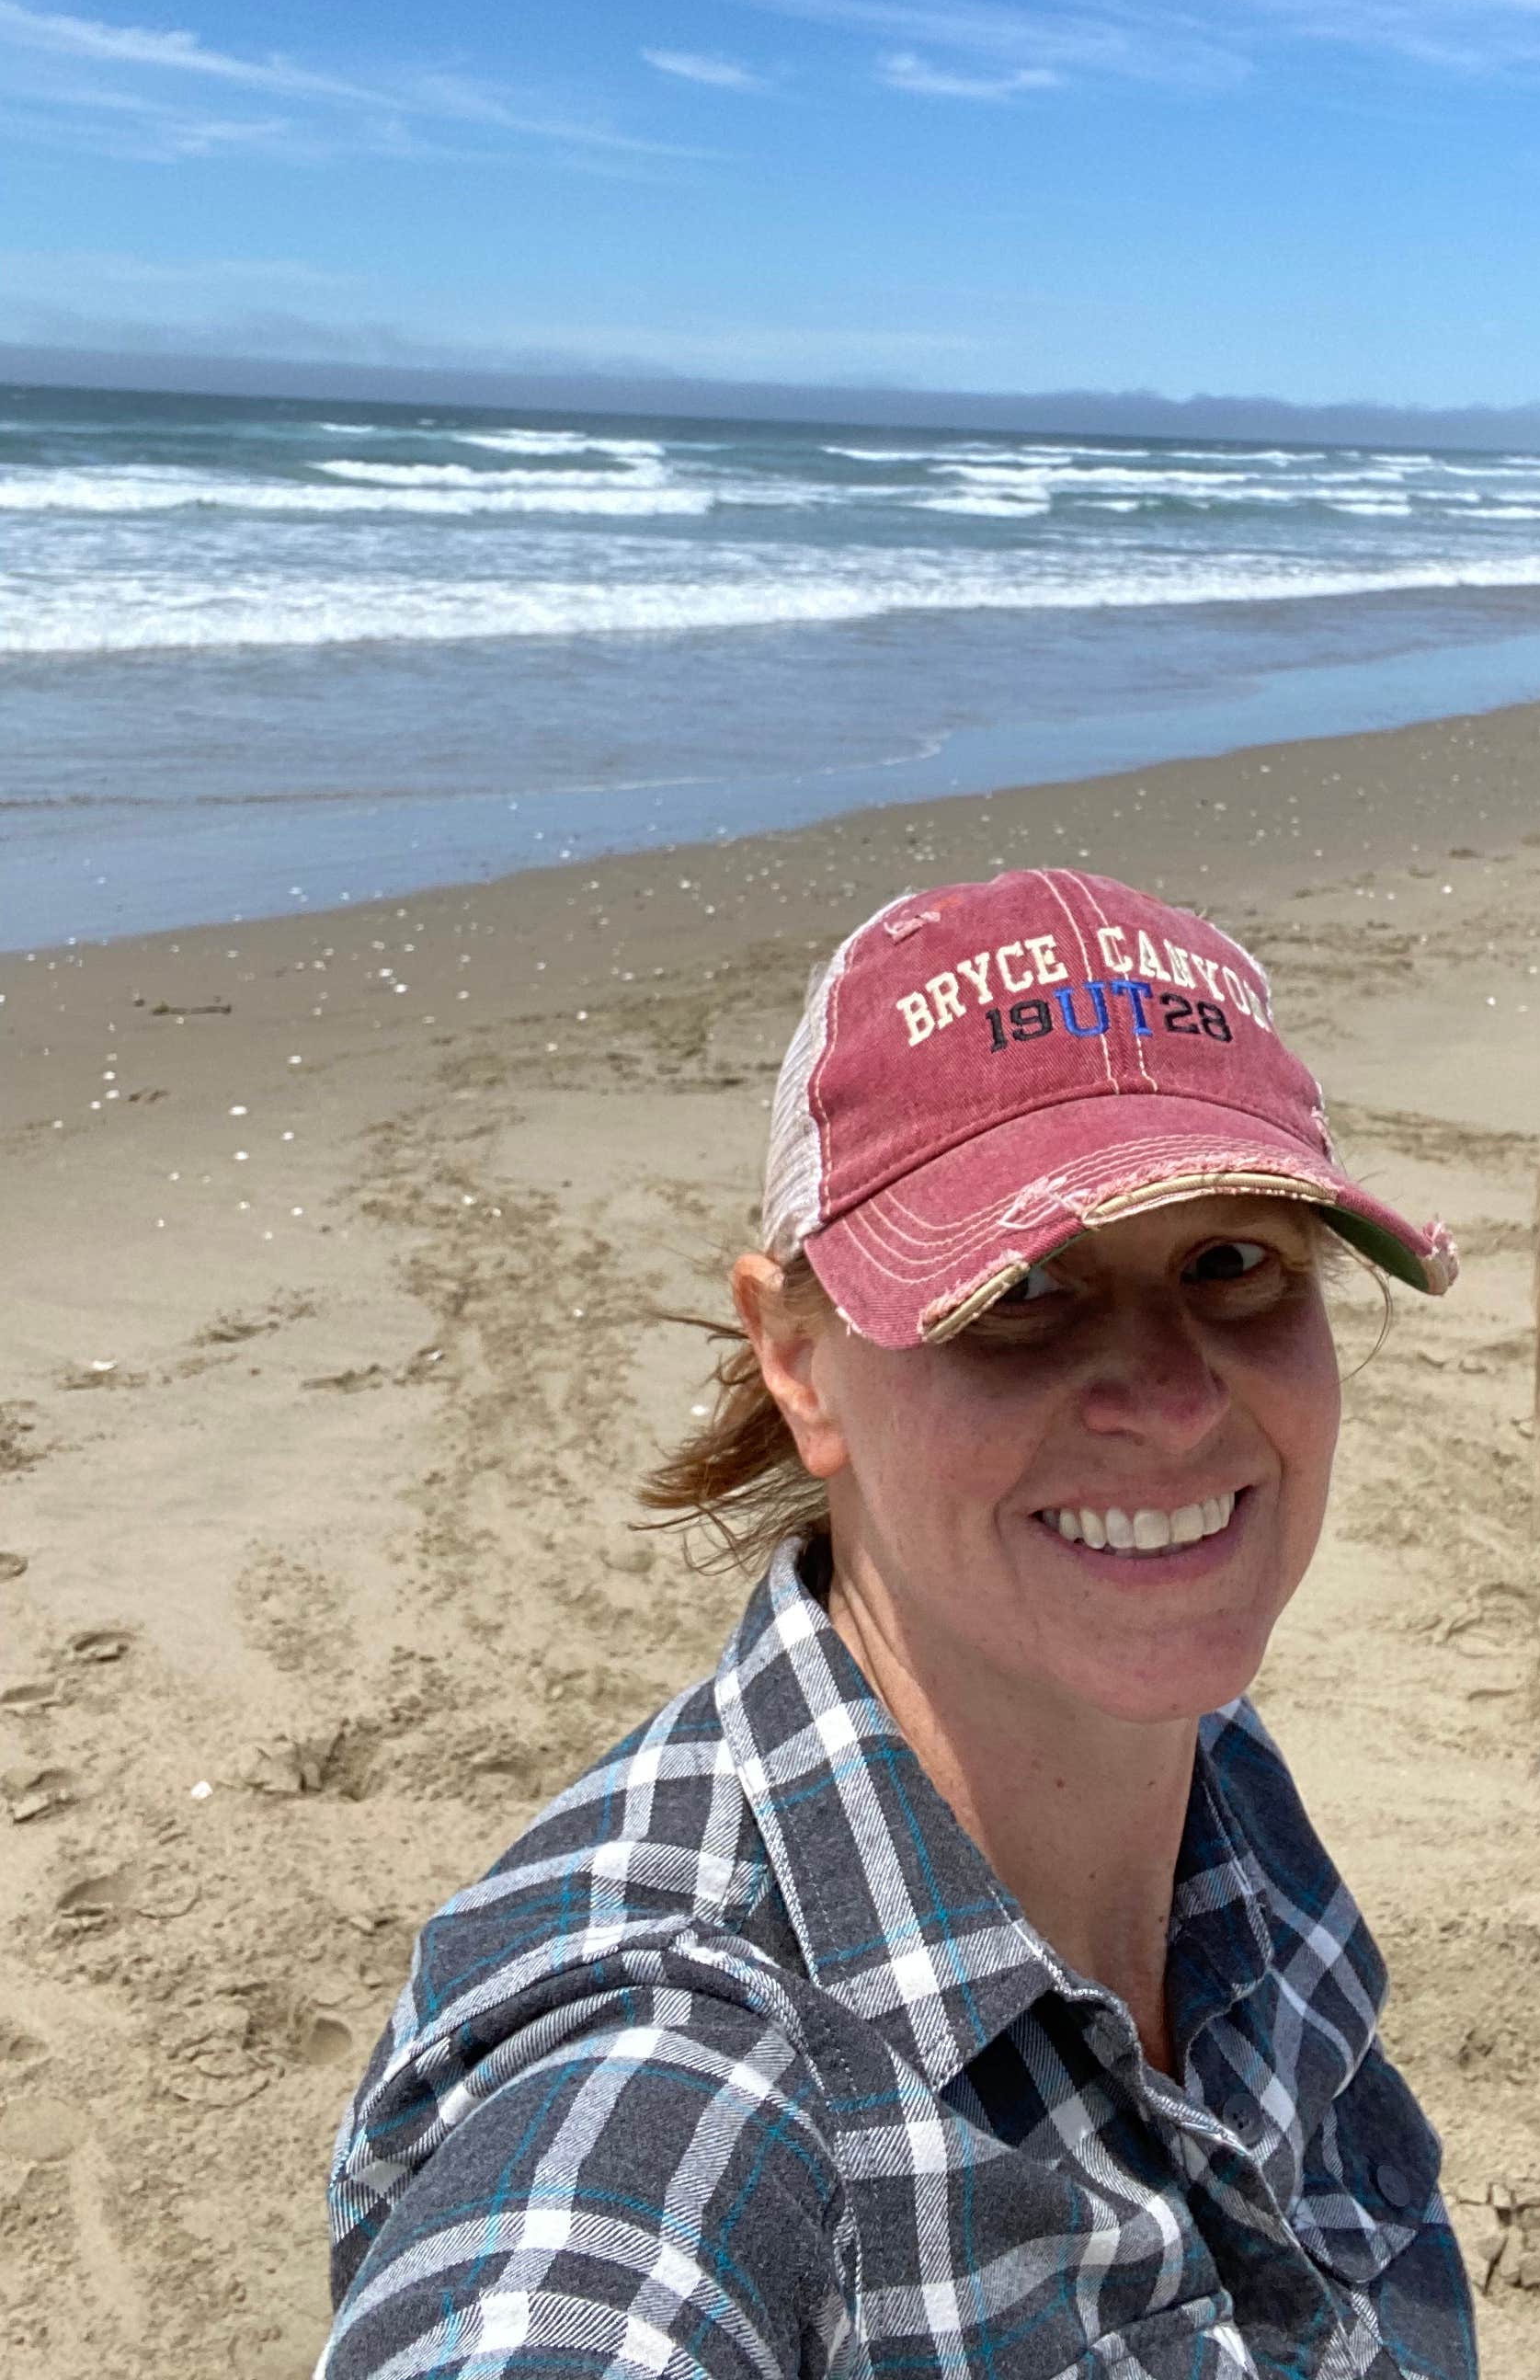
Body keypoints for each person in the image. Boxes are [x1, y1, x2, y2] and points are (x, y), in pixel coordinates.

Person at [321, 867, 1477, 2380]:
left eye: (1231, 1263)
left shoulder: (1209, 1779)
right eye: (1024, 1289)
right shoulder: (679, 2050)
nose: (1180, 1398)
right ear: (796, 1358)